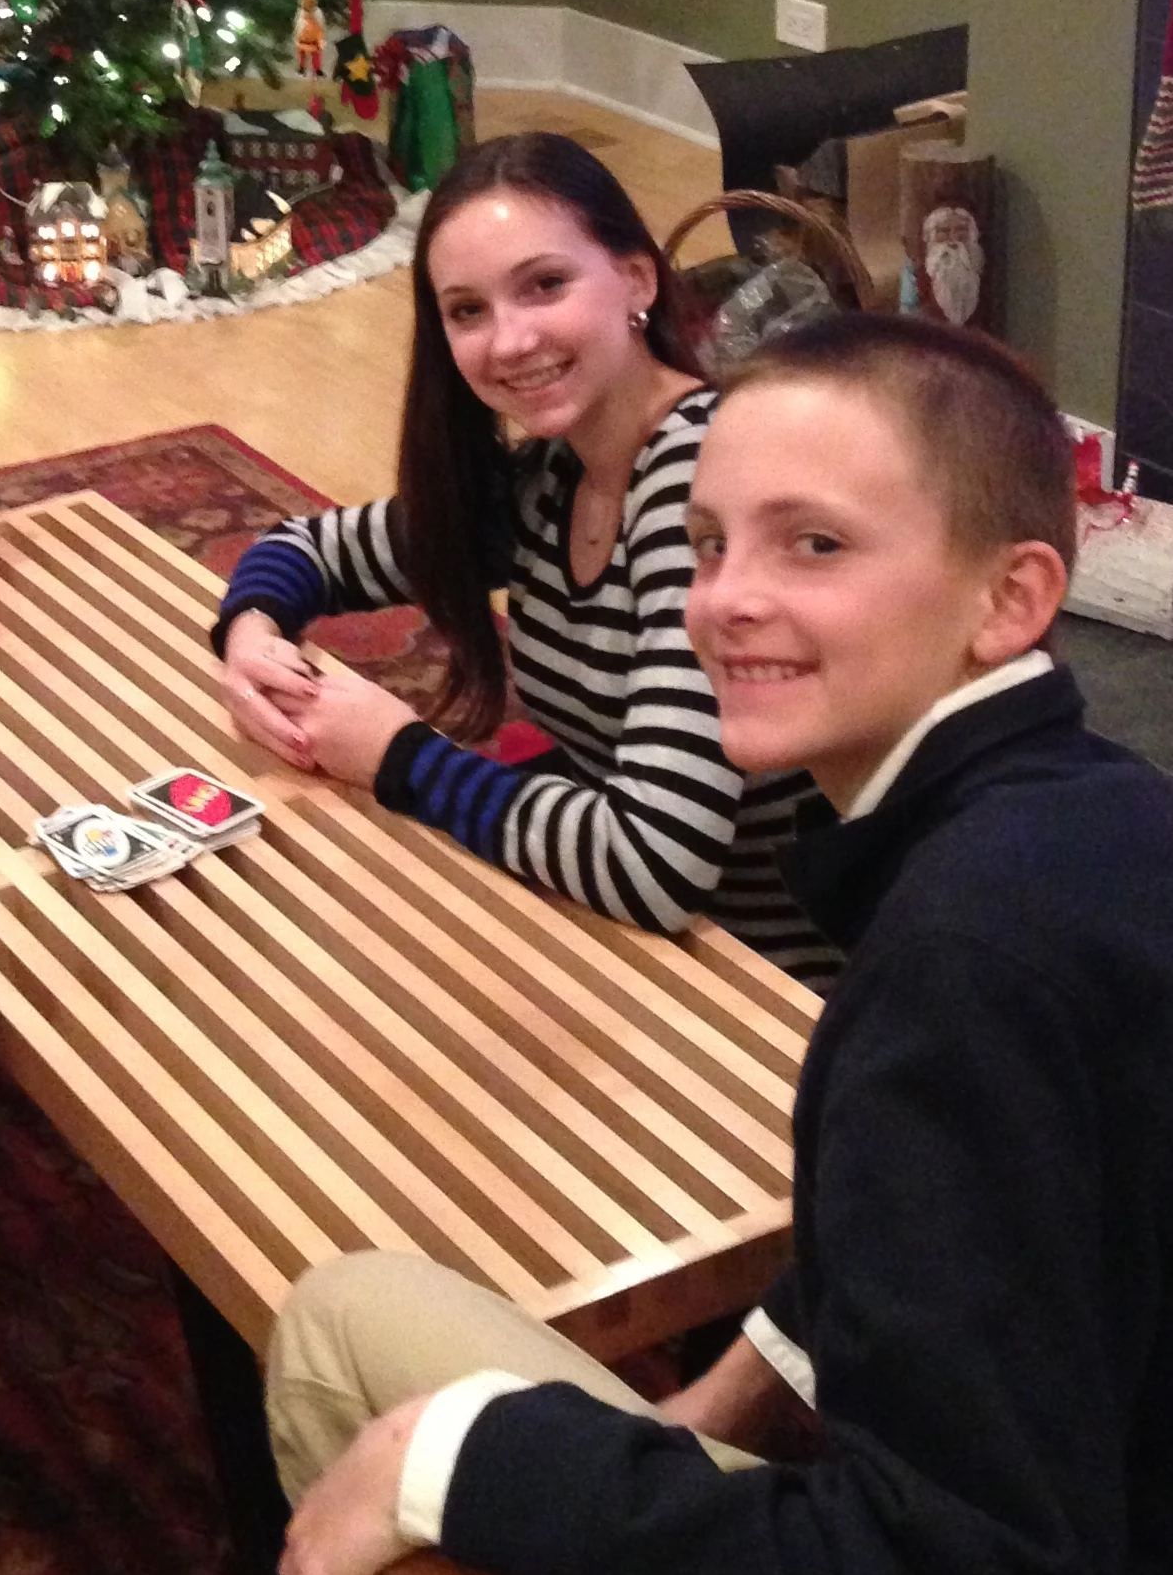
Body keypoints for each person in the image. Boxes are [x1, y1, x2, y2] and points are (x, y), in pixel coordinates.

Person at [270, 317, 1173, 1575]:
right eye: (707, 541)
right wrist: (732, 1397)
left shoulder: (968, 974)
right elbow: (983, 1260)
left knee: (344, 1336)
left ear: (1012, 600)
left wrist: (471, 1458)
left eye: (813, 545)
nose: (728, 600)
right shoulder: (1102, 820)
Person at [213, 132, 831, 980]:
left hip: (769, 990)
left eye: (545, 285)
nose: (508, 342)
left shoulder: (704, 487)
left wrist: (397, 753)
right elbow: (305, 550)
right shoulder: (557, 473)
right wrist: (250, 634)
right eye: (468, 310)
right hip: (631, 944)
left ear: (638, 281)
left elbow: (652, 867)